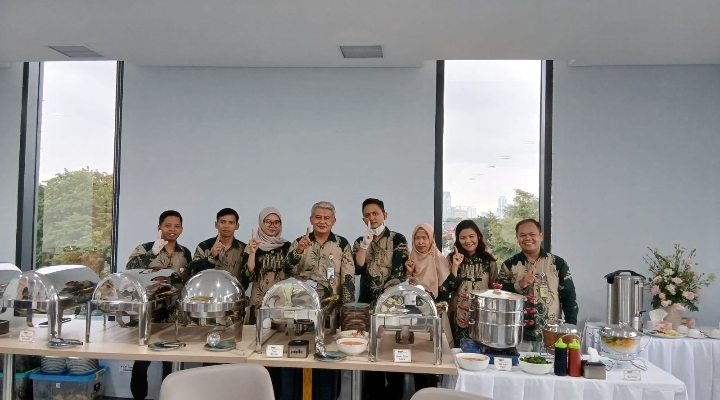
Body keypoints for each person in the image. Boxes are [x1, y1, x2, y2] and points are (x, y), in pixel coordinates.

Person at [284, 201, 355, 400]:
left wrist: (346, 316)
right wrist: (298, 251)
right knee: (300, 357)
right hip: (302, 314)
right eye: (318, 217)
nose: (322, 221)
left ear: (334, 221)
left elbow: (348, 280)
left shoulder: (342, 244)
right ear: (311, 219)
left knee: (328, 361)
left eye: (326, 218)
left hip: (332, 313)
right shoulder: (300, 242)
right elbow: (286, 270)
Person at [125, 210, 192, 400]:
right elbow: (130, 269)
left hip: (173, 312)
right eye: (168, 225)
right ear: (159, 227)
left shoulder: (184, 253)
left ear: (181, 229)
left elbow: (187, 279)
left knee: (171, 361)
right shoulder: (144, 248)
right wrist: (153, 253)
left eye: (177, 226)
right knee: (141, 361)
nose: (172, 229)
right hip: (149, 311)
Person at [351, 199, 408, 400]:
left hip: (392, 305)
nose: (372, 218)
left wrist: (384, 299)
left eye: (375, 213)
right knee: (371, 353)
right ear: (363, 219)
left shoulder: (397, 238)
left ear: (385, 215)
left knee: (392, 352)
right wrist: (364, 246)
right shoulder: (360, 241)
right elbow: (357, 269)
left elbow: (399, 272)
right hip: (366, 304)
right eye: (367, 215)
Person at [498, 218, 579, 352]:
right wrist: (520, 284)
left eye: (532, 234)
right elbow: (500, 296)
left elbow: (569, 298)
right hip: (517, 334)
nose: (527, 238)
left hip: (551, 333)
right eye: (522, 235)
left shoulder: (557, 263)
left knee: (551, 364)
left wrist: (570, 330)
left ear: (541, 236)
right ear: (517, 238)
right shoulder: (509, 265)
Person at [241, 207, 290, 400]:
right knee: (255, 352)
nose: (272, 226)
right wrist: (253, 253)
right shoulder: (252, 245)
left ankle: (275, 394)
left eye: (276, 222)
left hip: (281, 305)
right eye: (268, 222)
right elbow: (247, 276)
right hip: (258, 304)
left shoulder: (287, 247)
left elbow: (293, 271)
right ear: (261, 223)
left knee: (277, 352)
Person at [404, 223, 451, 393]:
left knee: (431, 359)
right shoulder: (410, 259)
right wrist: (409, 273)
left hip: (434, 314)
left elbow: (445, 291)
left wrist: (433, 309)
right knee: (414, 355)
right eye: (417, 238)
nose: (421, 242)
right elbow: (404, 290)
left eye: (424, 238)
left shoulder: (439, 259)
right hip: (412, 315)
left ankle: (430, 393)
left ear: (431, 239)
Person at [438, 219, 498, 348]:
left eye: (471, 236)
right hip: (458, 315)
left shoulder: (489, 261)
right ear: (458, 240)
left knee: (481, 351)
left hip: (482, 316)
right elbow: (447, 289)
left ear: (478, 236)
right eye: (463, 238)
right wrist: (455, 266)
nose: (468, 241)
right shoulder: (451, 258)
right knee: (457, 352)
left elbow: (495, 290)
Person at [189, 208, 247, 280]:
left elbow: (247, 279)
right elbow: (194, 273)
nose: (226, 226)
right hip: (208, 287)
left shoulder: (244, 249)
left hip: (234, 287)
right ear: (216, 224)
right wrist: (212, 256)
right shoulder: (204, 246)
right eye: (222, 222)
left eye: (231, 223)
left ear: (237, 226)